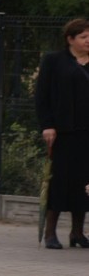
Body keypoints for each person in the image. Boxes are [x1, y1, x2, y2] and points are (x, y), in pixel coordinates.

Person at [35, 17, 89, 248]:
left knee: (84, 182)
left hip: (86, 132)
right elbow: (42, 95)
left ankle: (77, 233)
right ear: (70, 39)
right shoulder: (54, 61)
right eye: (84, 37)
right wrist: (47, 124)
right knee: (58, 180)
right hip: (62, 132)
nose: (88, 41)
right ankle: (50, 233)